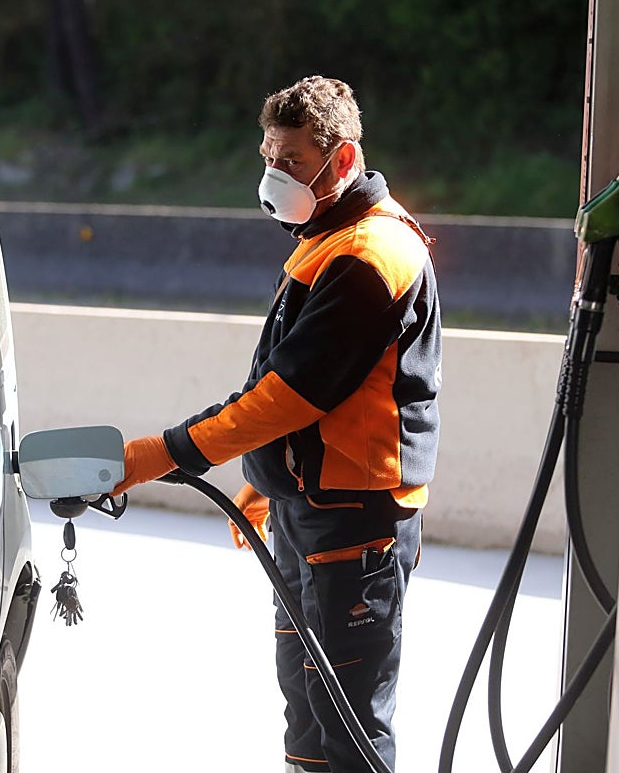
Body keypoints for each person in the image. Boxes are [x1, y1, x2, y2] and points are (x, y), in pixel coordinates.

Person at [111, 75, 441, 773]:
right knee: (307, 711)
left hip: (353, 525)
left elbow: (289, 396)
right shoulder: (325, 239)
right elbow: (282, 380)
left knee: (349, 725)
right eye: (268, 156)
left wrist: (157, 455)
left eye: (290, 160)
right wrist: (268, 481)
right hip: (308, 509)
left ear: (341, 161)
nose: (273, 174)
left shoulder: (371, 256)